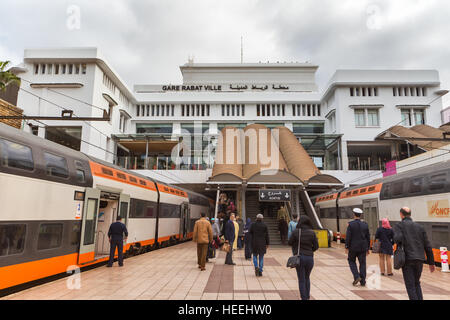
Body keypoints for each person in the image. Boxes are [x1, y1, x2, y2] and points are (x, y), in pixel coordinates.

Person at [393, 207, 435, 300]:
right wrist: (431, 263)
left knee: (410, 286)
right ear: (410, 214)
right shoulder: (420, 227)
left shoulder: (399, 225)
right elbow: (427, 245)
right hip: (419, 260)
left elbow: (397, 239)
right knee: (417, 283)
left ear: (401, 214)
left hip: (407, 260)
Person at [288, 216, 319, 300]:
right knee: (307, 277)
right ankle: (307, 296)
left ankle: (304, 298)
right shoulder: (312, 232)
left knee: (301, 279)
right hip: (309, 258)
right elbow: (316, 246)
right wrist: (310, 251)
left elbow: (289, 242)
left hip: (299, 258)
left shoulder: (296, 232)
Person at [345, 208, 370, 286]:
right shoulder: (365, 225)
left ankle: (356, 276)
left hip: (353, 248)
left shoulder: (350, 224)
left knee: (351, 261)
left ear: (354, 214)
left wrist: (347, 246)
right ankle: (363, 281)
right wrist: (368, 248)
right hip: (363, 248)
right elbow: (368, 237)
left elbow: (348, 236)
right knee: (362, 263)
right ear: (360, 215)